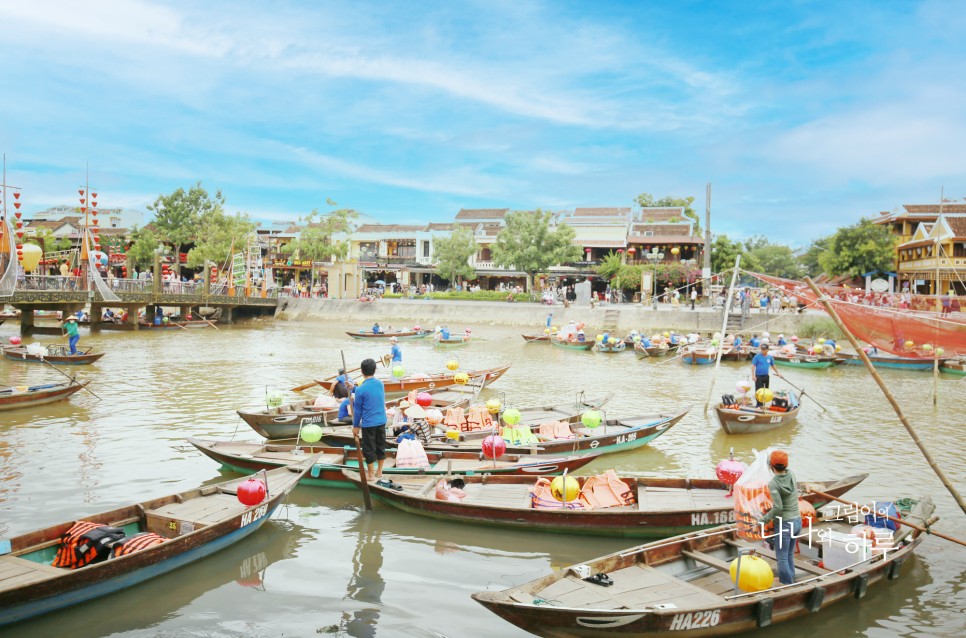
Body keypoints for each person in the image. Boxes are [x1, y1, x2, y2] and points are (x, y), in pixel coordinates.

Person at [757, 450, 801, 585]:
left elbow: (778, 508)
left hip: (785, 524)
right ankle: (790, 577)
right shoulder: (791, 474)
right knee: (788, 554)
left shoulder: (773, 484)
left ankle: (787, 584)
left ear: (771, 465)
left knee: (781, 556)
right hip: (797, 521)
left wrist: (762, 521)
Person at [353, 358, 388, 482]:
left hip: (368, 424)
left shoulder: (360, 389)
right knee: (380, 446)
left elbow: (357, 411)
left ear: (362, 371)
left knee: (369, 449)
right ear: (375, 370)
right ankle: (380, 472)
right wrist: (353, 387)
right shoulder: (380, 384)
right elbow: (371, 392)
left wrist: (355, 426)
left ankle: (371, 475)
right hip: (381, 421)